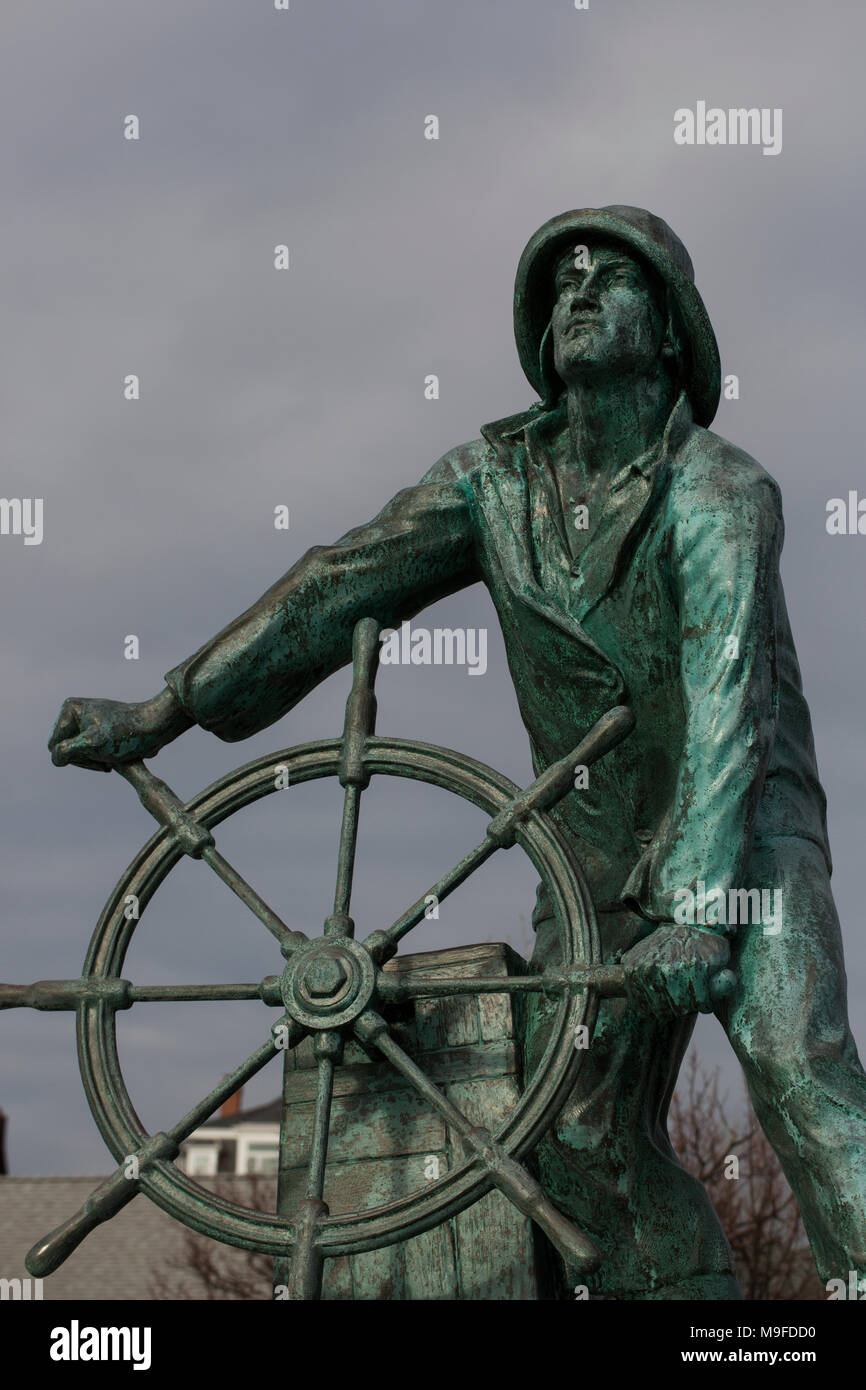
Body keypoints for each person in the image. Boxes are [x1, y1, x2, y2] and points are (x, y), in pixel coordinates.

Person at [49, 205, 866, 1299]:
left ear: (670, 331)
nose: (578, 292)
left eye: (611, 278)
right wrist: (166, 711)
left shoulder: (719, 491)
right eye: (560, 279)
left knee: (796, 1074)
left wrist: (696, 905)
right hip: (583, 860)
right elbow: (337, 581)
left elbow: (726, 697)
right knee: (576, 1143)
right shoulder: (492, 480)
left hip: (743, 843)